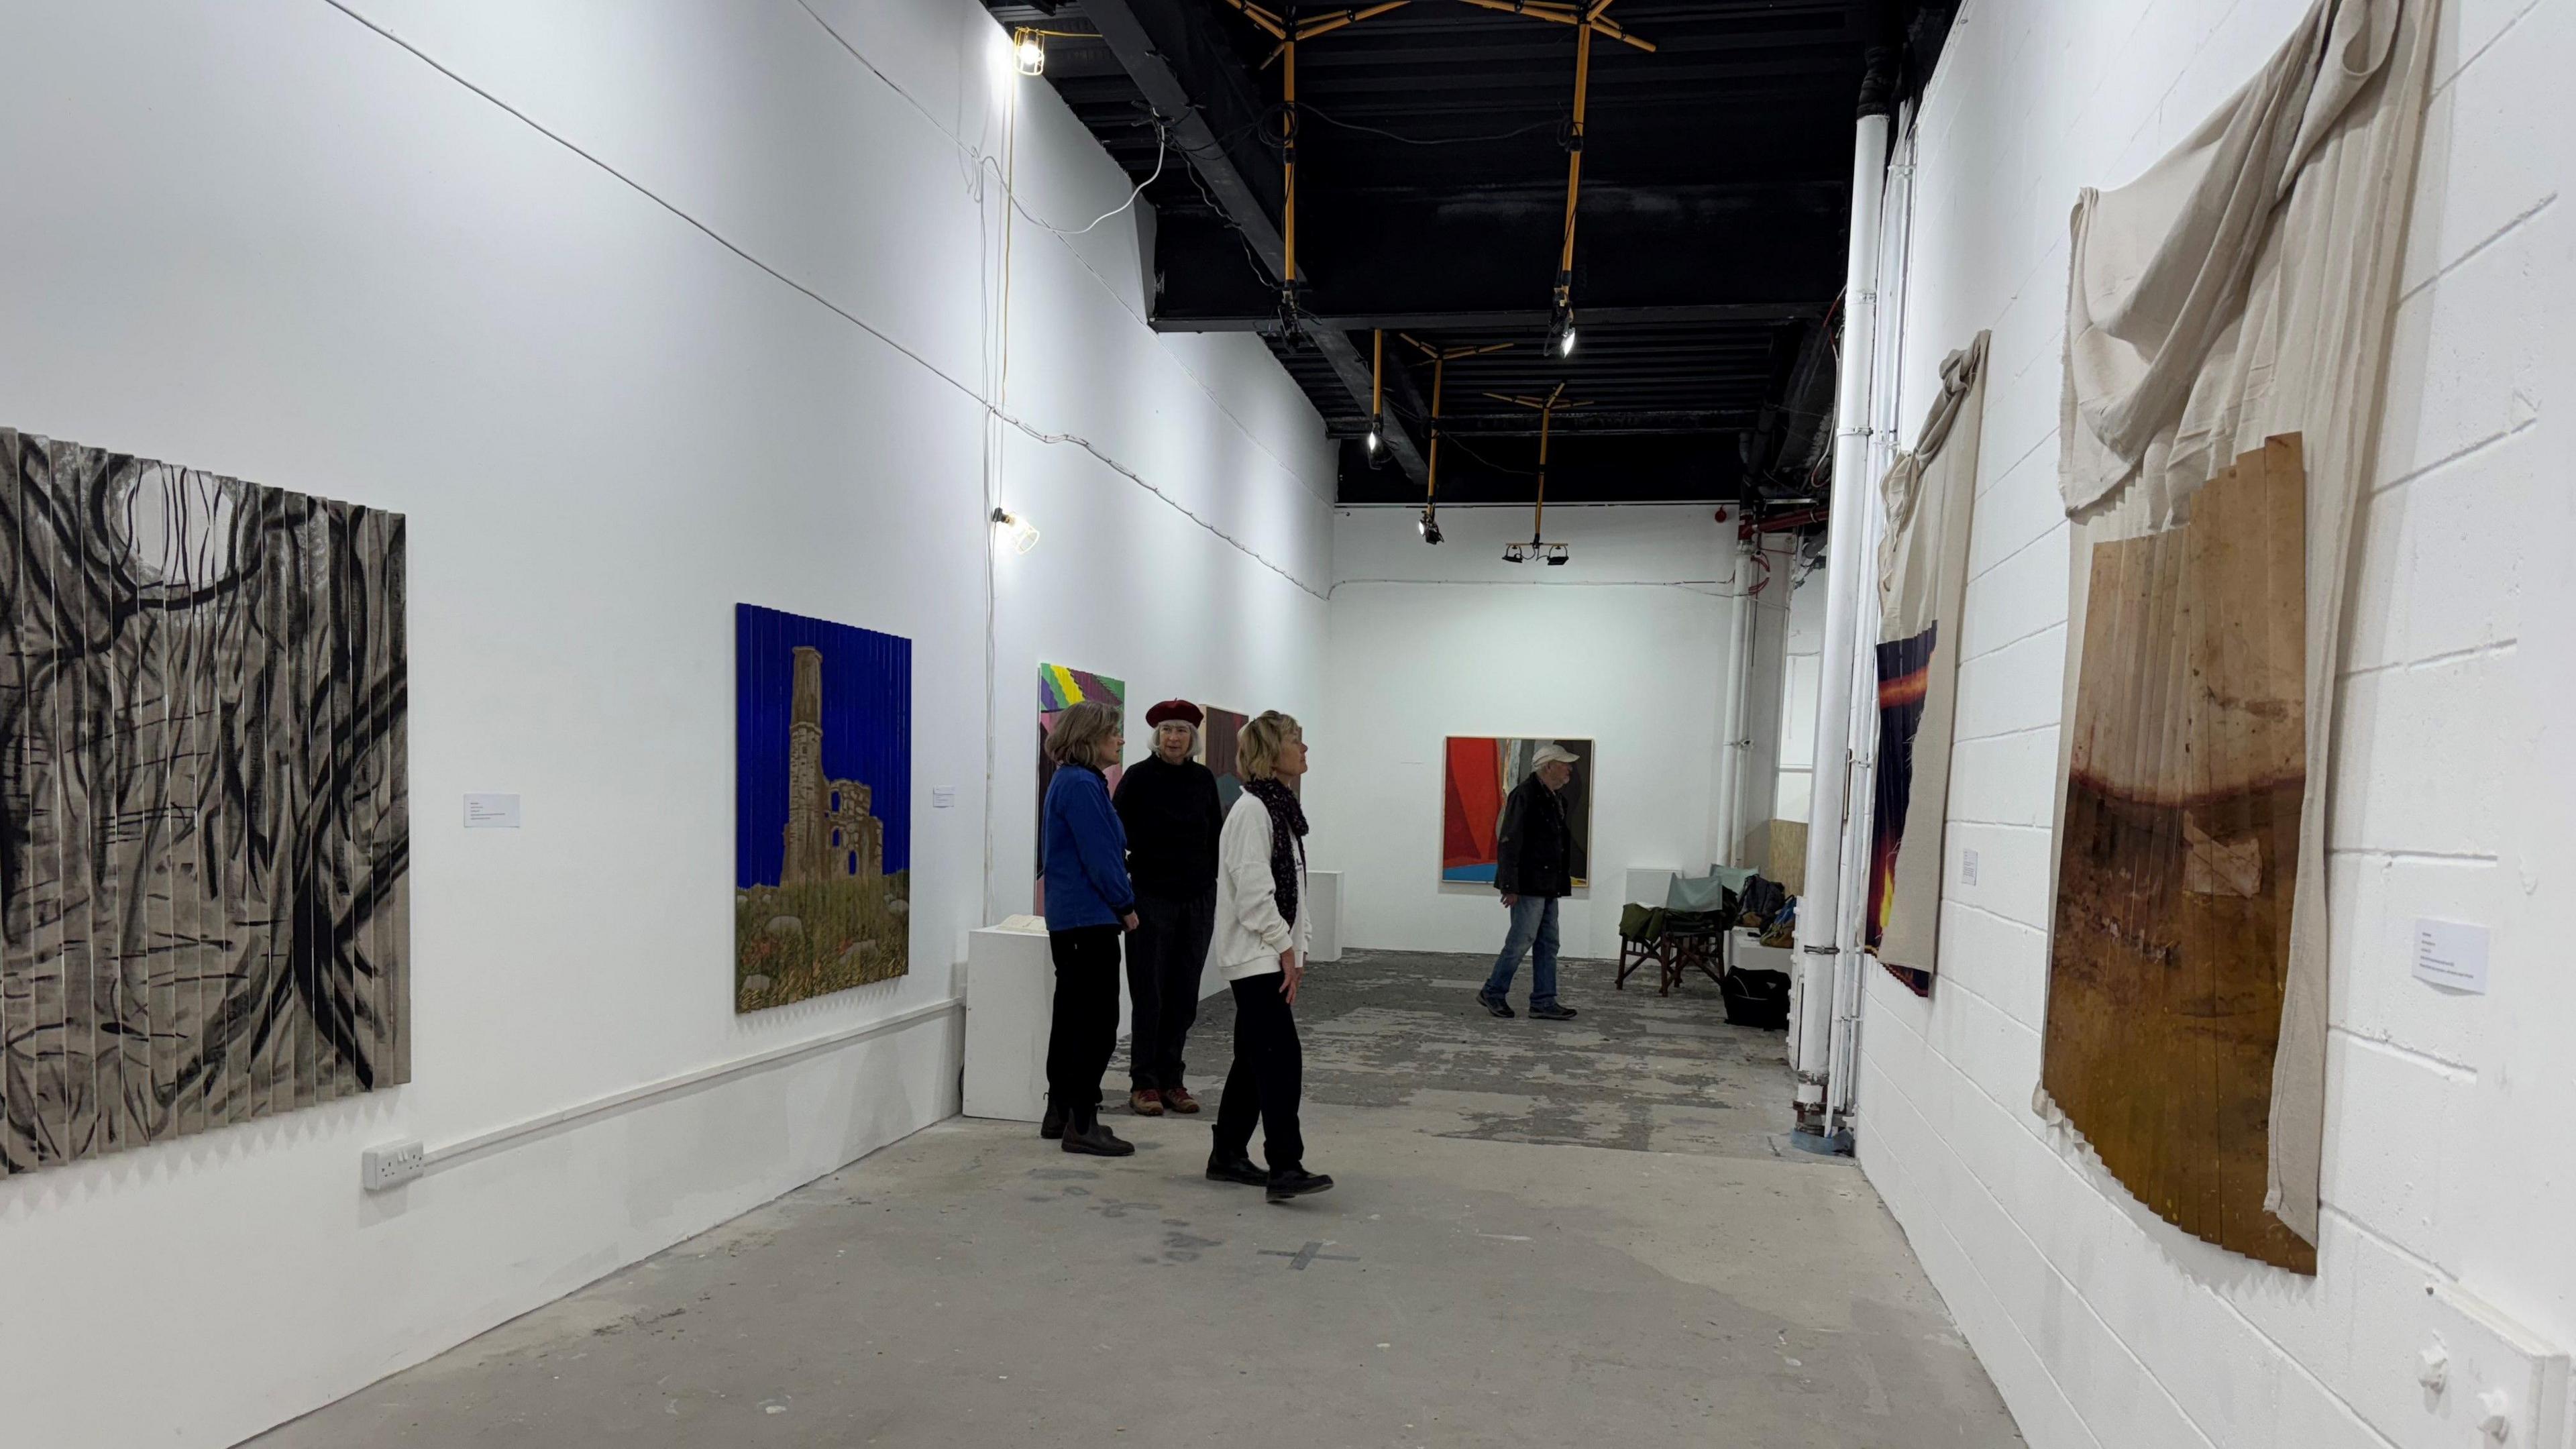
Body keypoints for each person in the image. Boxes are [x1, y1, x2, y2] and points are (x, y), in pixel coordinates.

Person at [1205, 711, 1333, 1204]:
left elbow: (1294, 889)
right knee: (1281, 1059)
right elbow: (1255, 894)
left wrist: (1296, 949)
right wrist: (1284, 947)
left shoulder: (1278, 809)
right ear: (1270, 750)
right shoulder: (1253, 812)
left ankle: (1227, 1154)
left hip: (1269, 952)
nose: (1305, 750)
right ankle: (1286, 1164)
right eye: (1296, 741)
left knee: (1252, 1058)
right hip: (1256, 955)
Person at [1114, 700, 1226, 1118]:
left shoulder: (1202, 779)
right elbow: (1115, 831)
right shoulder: (1138, 778)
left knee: (1184, 993)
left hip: (1197, 897)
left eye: (1180, 731)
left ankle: (1172, 1079)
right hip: (1151, 896)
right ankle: (1144, 1082)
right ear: (1156, 737)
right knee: (1150, 992)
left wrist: (1212, 884)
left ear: (1192, 738)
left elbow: (1215, 835)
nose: (1173, 738)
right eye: (1166, 731)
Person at [1038, 699, 1141, 1156]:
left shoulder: (1072, 781)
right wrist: (1125, 904)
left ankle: (1061, 1111)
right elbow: (1100, 853)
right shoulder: (1081, 785)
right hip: (1088, 917)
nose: (1119, 739)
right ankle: (1082, 1119)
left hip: (1072, 918)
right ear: (1089, 739)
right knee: (1097, 1022)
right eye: (1112, 733)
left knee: (1072, 1016)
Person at [1477, 742, 1582, 1022]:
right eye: (1564, 764)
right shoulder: (1524, 795)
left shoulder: (1557, 798)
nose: (1569, 769)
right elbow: (1509, 842)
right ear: (1549, 766)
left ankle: (1544, 1001)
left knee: (1549, 943)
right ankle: (1493, 991)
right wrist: (1510, 886)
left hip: (1548, 885)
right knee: (1521, 941)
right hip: (1528, 884)